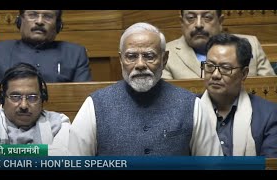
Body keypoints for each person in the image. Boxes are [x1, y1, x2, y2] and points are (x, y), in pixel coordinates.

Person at [68, 22, 223, 156]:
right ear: (121, 60)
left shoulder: (192, 105)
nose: (140, 64)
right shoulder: (94, 106)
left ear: (164, 59)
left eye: (149, 56)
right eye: (131, 56)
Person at [0, 63, 70, 155]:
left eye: (32, 97)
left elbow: (64, 160)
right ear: (2, 98)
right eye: (15, 97)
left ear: (42, 98)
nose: (24, 105)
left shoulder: (60, 123)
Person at [200, 33, 277, 157]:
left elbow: (270, 164)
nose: (215, 75)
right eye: (209, 66)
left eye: (225, 68)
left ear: (244, 73)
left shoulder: (269, 115)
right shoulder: (187, 110)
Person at [0, 10, 92, 85]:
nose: (39, 21)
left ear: (58, 25)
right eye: (33, 15)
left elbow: (81, 97)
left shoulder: (76, 54)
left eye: (48, 16)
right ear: (19, 21)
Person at [162, 10, 276, 79]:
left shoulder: (251, 44)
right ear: (182, 22)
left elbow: (270, 92)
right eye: (191, 18)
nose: (198, 24)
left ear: (220, 21)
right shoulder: (167, 53)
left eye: (207, 17)